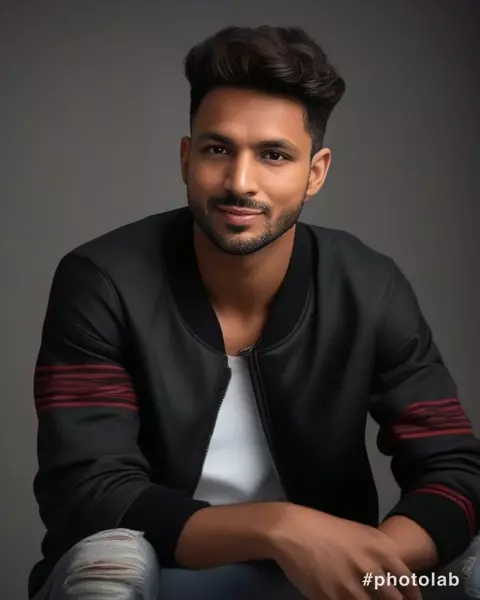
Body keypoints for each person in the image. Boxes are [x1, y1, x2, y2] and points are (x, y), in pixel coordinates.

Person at [29, 25, 480, 600]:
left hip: (321, 586)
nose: (240, 182)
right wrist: (281, 528)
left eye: (273, 155)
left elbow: (454, 469)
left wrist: (370, 563)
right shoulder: (103, 281)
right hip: (161, 579)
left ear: (315, 173)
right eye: (218, 150)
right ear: (187, 158)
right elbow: (89, 493)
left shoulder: (368, 286)